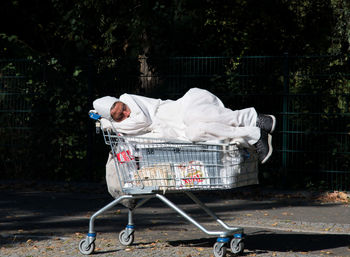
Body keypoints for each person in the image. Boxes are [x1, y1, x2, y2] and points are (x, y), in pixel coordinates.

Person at [93, 88, 276, 164]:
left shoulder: (128, 99)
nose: (126, 113)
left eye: (123, 109)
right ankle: (254, 134)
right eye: (120, 116)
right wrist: (107, 122)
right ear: (114, 118)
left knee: (195, 116)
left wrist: (110, 123)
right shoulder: (125, 129)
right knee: (196, 131)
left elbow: (142, 120)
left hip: (186, 105)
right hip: (183, 132)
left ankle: (255, 119)